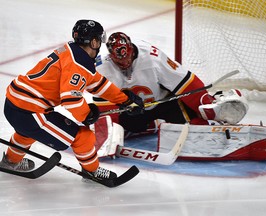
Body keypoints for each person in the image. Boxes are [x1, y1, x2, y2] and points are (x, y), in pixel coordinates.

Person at [0, 21, 143, 182]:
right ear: (94, 42)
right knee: (83, 137)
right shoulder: (79, 63)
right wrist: (87, 115)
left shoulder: (71, 50)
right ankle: (92, 172)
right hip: (31, 112)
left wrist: (124, 100)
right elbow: (71, 100)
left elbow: (96, 83)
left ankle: (10, 161)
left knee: (26, 132)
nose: (99, 45)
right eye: (98, 40)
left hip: (13, 103)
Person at [93, 32, 248, 134]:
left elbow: (185, 82)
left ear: (132, 49)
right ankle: (152, 125)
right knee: (123, 126)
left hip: (163, 102)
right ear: (111, 56)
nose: (125, 63)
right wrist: (110, 128)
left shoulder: (152, 58)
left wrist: (203, 101)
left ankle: (214, 107)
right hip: (132, 110)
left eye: (127, 58)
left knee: (190, 122)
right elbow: (104, 108)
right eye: (119, 61)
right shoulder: (102, 68)